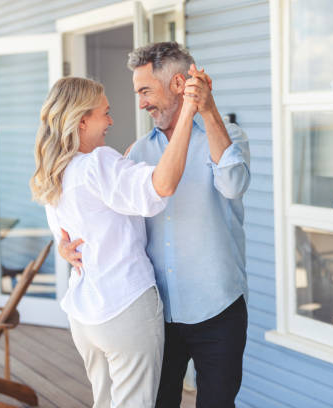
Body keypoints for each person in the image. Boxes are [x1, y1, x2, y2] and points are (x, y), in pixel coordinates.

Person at [59, 42, 251, 407]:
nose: (141, 102)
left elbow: (234, 184)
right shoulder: (137, 152)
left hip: (218, 308)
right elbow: (106, 218)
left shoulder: (226, 136)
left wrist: (207, 110)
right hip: (157, 312)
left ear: (179, 84)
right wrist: (65, 245)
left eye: (146, 90)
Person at [30, 76, 199, 407]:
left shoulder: (55, 172)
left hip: (85, 315)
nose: (110, 121)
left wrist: (65, 250)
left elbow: (67, 235)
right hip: (124, 309)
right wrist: (189, 111)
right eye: (104, 113)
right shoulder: (97, 164)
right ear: (81, 120)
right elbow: (160, 187)